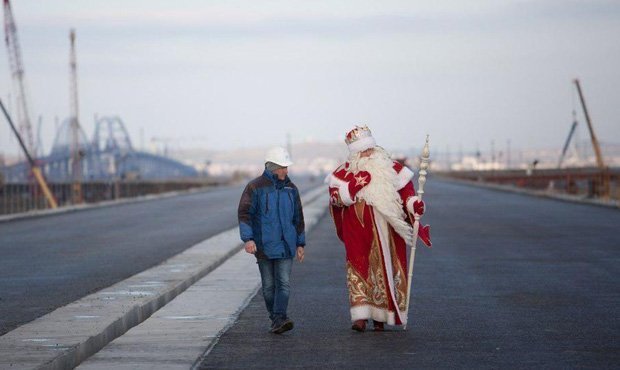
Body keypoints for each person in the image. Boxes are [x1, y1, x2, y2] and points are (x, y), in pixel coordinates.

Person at [327, 125, 431, 332]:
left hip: (386, 231)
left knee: (384, 270)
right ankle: (360, 317)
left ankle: (381, 318)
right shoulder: (343, 173)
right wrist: (353, 187)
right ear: (354, 153)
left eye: (369, 149)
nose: (367, 154)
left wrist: (414, 205)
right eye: (362, 151)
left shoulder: (392, 169)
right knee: (359, 268)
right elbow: (335, 199)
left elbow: (407, 194)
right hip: (357, 231)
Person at [238, 146, 306, 334]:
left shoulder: (292, 189)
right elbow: (244, 214)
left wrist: (300, 243)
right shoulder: (255, 187)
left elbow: (298, 218)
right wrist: (248, 239)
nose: (285, 171)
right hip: (264, 246)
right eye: (282, 167)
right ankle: (275, 319)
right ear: (272, 167)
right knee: (268, 286)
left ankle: (280, 318)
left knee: (283, 283)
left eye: (286, 167)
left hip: (286, 245)